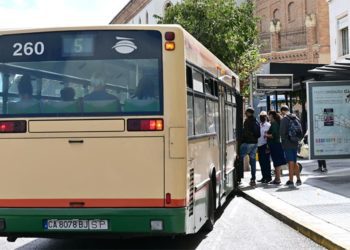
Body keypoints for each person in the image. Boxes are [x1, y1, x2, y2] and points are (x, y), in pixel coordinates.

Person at [280, 105, 302, 187]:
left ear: (282, 111)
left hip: (288, 143)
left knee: (290, 162)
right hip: (295, 142)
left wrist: (283, 141)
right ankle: (298, 179)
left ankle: (291, 180)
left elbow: (282, 132)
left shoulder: (284, 119)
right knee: (294, 161)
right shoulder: (296, 118)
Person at [239, 107, 260, 186]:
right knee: (253, 161)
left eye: (246, 112)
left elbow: (245, 133)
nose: (245, 113)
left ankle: (238, 176)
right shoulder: (256, 121)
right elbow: (259, 134)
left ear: (248, 113)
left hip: (247, 143)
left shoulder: (247, 121)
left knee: (239, 157)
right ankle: (253, 179)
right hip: (255, 144)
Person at [266, 110, 286, 185]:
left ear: (272, 116)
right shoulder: (276, 123)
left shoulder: (274, 124)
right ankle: (277, 178)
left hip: (275, 145)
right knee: (277, 162)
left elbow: (274, 135)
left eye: (269, 115)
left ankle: (277, 179)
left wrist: (266, 135)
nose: (268, 116)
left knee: (276, 162)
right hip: (277, 145)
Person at [257, 111, 272, 183]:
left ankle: (268, 177)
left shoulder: (268, 125)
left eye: (263, 116)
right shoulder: (259, 125)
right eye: (261, 116)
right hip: (259, 145)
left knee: (266, 162)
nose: (262, 118)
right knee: (261, 162)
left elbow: (270, 136)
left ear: (266, 117)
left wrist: (268, 147)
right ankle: (264, 177)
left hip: (265, 145)